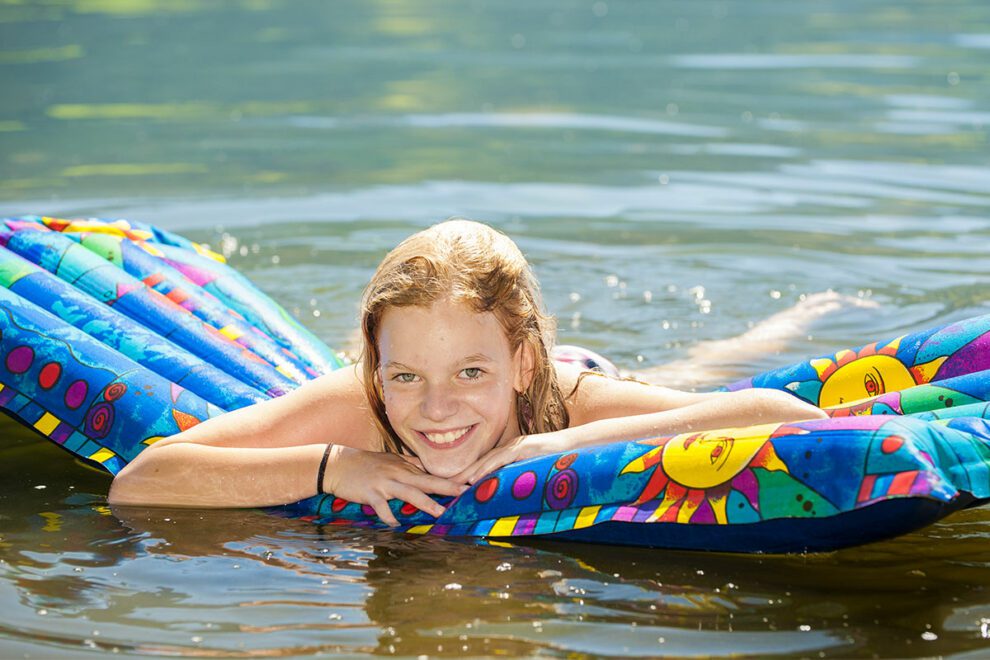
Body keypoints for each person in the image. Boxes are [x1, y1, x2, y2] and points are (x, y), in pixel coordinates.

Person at [108, 219, 828, 525]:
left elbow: (796, 419)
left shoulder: (567, 400)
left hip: (572, 377)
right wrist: (334, 468)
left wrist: (556, 445)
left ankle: (790, 319)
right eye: (406, 377)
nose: (438, 410)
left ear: (520, 362)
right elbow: (139, 484)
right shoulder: (358, 405)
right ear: (376, 369)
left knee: (697, 368)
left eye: (469, 372)